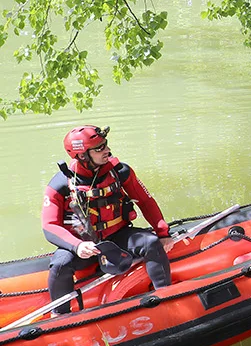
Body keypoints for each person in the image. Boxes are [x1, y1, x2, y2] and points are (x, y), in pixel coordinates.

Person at [42, 126, 171, 313]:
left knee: (151, 242)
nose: (107, 150)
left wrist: (163, 232)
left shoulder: (121, 172)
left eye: (105, 144)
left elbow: (145, 201)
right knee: (61, 264)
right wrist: (77, 246)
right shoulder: (60, 184)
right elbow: (49, 226)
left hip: (117, 236)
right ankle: (60, 315)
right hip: (83, 244)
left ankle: (166, 297)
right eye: (99, 148)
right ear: (82, 155)